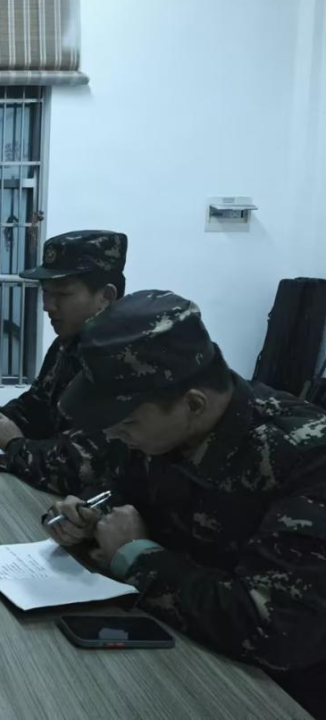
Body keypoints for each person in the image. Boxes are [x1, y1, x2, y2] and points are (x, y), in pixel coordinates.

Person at [43, 290, 326, 718]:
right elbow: (121, 492)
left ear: (194, 404)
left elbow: (277, 631)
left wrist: (136, 557)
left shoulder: (305, 455)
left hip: (272, 695)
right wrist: (87, 516)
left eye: (126, 422)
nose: (114, 435)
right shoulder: (156, 430)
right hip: (175, 654)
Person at [0, 230, 128, 494]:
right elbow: (34, 408)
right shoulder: (69, 344)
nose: (47, 306)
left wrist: (15, 444)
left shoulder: (124, 361)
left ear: (106, 296)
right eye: (46, 293)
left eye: (62, 294)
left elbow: (84, 468)